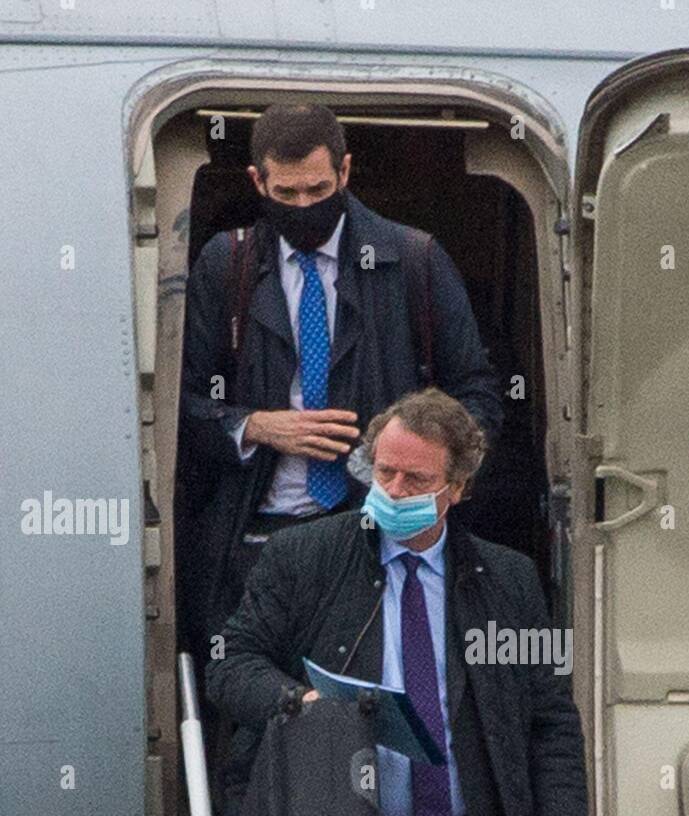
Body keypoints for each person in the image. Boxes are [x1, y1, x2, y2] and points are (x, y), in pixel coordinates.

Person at [207, 388, 591, 816]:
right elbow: (233, 667)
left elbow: (549, 723)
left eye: (416, 479)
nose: (392, 489)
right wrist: (302, 705)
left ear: (459, 489)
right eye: (383, 471)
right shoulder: (306, 558)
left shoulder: (508, 580)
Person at [179, 101, 502, 651]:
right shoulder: (225, 264)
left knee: (373, 708)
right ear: (258, 181)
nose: (304, 206)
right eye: (286, 195)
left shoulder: (413, 260)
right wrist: (254, 426)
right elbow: (178, 408)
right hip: (257, 539)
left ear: (345, 173)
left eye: (318, 191)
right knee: (263, 708)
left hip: (380, 536)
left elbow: (479, 401)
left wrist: (422, 475)